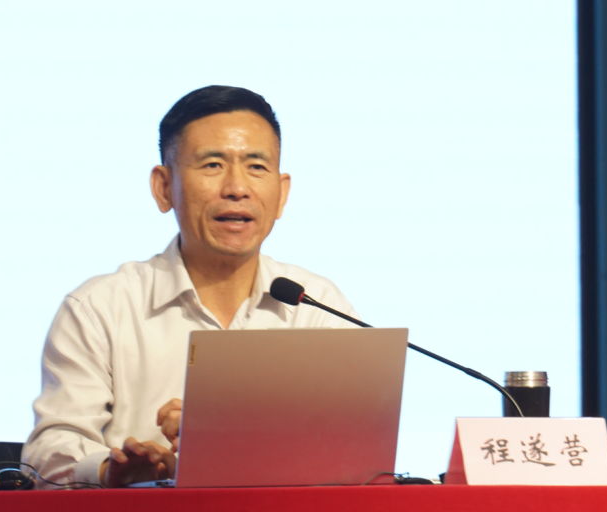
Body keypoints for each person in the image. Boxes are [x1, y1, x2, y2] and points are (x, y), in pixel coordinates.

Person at [21, 85, 359, 489]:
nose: (237, 188)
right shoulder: (100, 308)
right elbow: (49, 452)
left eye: (256, 166)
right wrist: (111, 472)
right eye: (213, 165)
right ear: (164, 187)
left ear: (282, 193)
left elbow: (357, 451)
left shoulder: (317, 307)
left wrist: (236, 437)